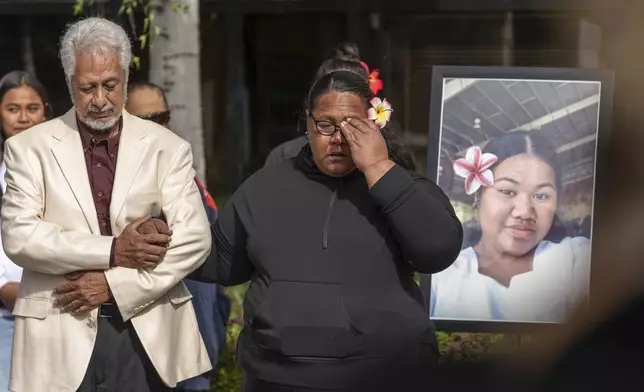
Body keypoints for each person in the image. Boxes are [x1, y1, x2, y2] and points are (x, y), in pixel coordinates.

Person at [194, 69, 463, 391]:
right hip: (277, 375)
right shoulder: (265, 187)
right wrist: (160, 240)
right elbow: (223, 263)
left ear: (374, 125)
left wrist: (377, 167)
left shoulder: (400, 186)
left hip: (386, 375)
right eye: (325, 125)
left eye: (351, 126)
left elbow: (438, 251)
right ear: (307, 124)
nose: (338, 138)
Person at [0, 17, 212, 392]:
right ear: (69, 83)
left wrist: (115, 286)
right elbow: (20, 237)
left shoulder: (168, 147)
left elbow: (194, 238)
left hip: (147, 331)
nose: (100, 100)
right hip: (57, 333)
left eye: (110, 85)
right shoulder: (27, 148)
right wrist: (115, 249)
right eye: (87, 88)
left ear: (125, 79)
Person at [126, 81, 232, 392]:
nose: (156, 126)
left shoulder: (186, 175)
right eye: (144, 120)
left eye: (161, 117)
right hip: (147, 348)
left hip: (197, 346)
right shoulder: (117, 186)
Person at [430, 131, 591, 323]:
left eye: (541, 196)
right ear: (478, 195)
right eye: (507, 191)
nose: (524, 212)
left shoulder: (575, 259)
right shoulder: (441, 275)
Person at [0, 70, 53, 392]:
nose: (23, 118)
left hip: (57, 305)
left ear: (45, 111)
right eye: (12, 109)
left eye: (32, 109)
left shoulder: (66, 169)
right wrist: (3, 287)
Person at [264, 41, 368, 167]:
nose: (338, 138)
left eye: (351, 123)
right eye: (326, 124)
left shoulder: (382, 160)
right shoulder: (283, 157)